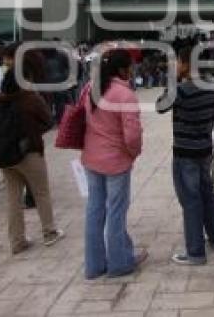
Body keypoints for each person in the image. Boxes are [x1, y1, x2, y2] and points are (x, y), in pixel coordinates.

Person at [156, 45, 214, 265]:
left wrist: (172, 80)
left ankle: (195, 252)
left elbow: (160, 105)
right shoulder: (212, 88)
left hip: (185, 153)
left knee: (191, 200)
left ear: (186, 64)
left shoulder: (181, 90)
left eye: (178, 61)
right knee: (208, 194)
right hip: (205, 149)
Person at [82, 49, 146, 279]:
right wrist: (133, 153)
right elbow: (132, 135)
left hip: (91, 157)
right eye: (131, 66)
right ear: (122, 69)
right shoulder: (124, 94)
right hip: (116, 161)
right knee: (116, 212)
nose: (133, 69)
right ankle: (119, 263)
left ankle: (94, 265)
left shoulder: (91, 88)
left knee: (94, 210)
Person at [0, 46, 65, 255]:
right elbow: (48, 121)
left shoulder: (1, 99)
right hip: (29, 151)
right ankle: (49, 231)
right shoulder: (31, 98)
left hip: (6, 153)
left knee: (13, 197)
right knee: (41, 192)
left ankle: (16, 240)